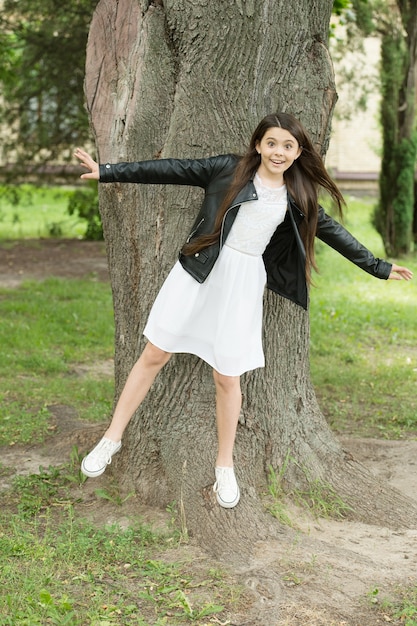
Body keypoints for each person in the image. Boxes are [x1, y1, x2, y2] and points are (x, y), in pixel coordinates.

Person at [74, 112, 412, 509]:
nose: (279, 152)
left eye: (288, 146)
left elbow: (334, 233)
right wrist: (108, 171)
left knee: (226, 377)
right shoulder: (226, 169)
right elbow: (171, 169)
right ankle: (111, 439)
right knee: (154, 353)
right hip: (199, 271)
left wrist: (379, 267)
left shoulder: (298, 196)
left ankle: (225, 466)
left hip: (241, 284)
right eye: (272, 143)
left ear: (298, 152)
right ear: (258, 145)